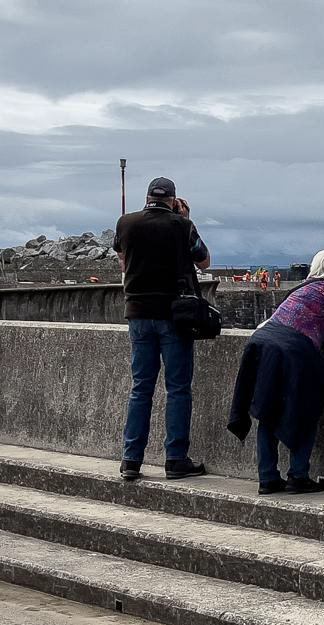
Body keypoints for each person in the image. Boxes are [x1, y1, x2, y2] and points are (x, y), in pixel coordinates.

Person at [227, 248, 324, 495]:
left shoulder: (303, 288)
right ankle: (298, 475)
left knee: (268, 410)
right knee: (306, 409)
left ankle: (268, 477)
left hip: (263, 342)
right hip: (292, 348)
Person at [112, 177, 212, 480]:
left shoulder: (125, 223)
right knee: (178, 389)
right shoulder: (182, 226)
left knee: (141, 388)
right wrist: (186, 220)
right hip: (174, 316)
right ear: (173, 200)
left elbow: (123, 261)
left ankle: (131, 460)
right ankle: (175, 459)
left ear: (147, 198)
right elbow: (204, 261)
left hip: (138, 314)